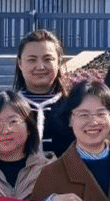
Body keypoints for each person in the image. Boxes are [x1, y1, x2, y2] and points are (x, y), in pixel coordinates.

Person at [13, 28, 72, 156]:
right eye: (32, 60)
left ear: (59, 62)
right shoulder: (7, 107)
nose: (40, 66)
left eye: (47, 59)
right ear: (20, 63)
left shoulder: (74, 105)